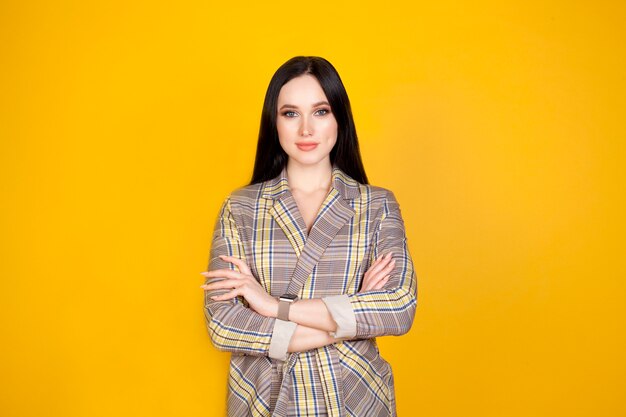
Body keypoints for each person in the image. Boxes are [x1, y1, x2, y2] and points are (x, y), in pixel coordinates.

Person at [201, 56, 418, 417]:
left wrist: (273, 306)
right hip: (264, 399)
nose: (306, 129)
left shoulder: (377, 204)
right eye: (290, 113)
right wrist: (352, 314)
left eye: (320, 112)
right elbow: (223, 323)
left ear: (339, 119)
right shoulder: (240, 208)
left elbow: (398, 307)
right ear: (274, 123)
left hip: (354, 397)